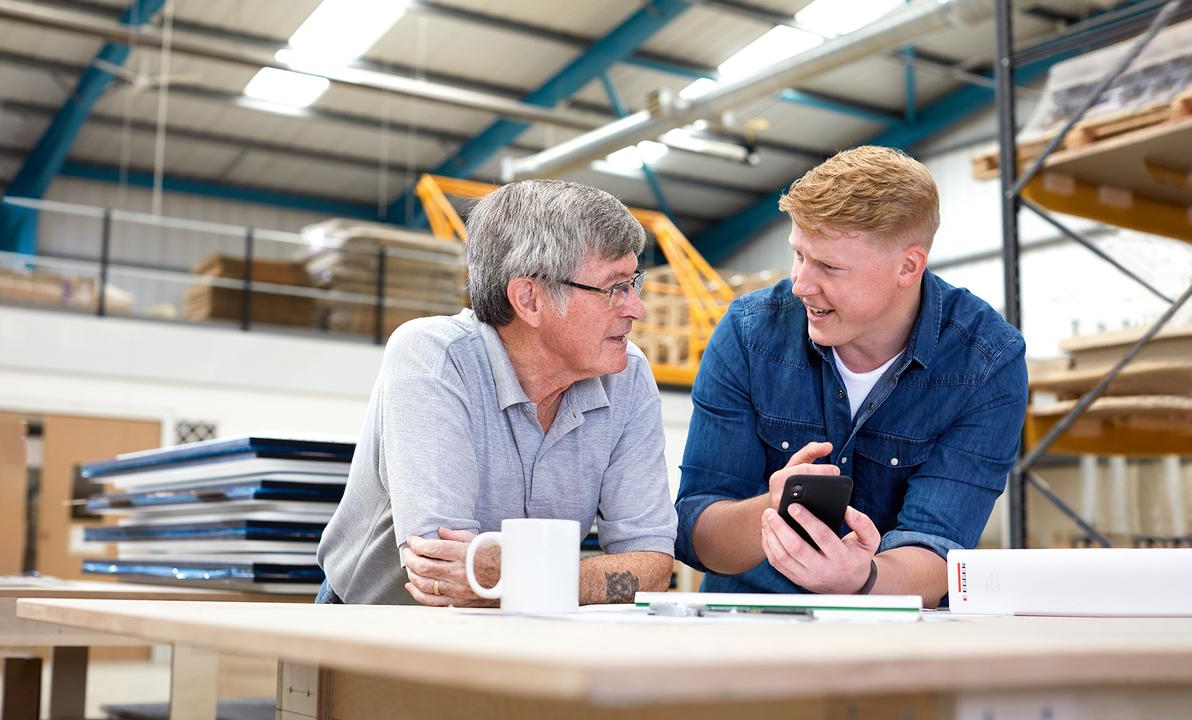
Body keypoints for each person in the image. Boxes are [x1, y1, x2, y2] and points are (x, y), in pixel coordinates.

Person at [675, 146, 1027, 607]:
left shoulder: (986, 363)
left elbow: (938, 548)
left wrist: (858, 580)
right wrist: (772, 508)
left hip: (895, 634)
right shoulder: (749, 332)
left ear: (908, 266)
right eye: (799, 255)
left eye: (830, 267)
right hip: (750, 624)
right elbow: (697, 534)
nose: (801, 283)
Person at [317, 179, 677, 606]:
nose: (637, 307)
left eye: (633, 283)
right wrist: (565, 579)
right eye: (614, 287)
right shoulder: (434, 355)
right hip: (371, 626)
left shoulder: (628, 376)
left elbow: (652, 570)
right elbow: (442, 573)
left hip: (527, 625)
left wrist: (517, 575)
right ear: (529, 299)